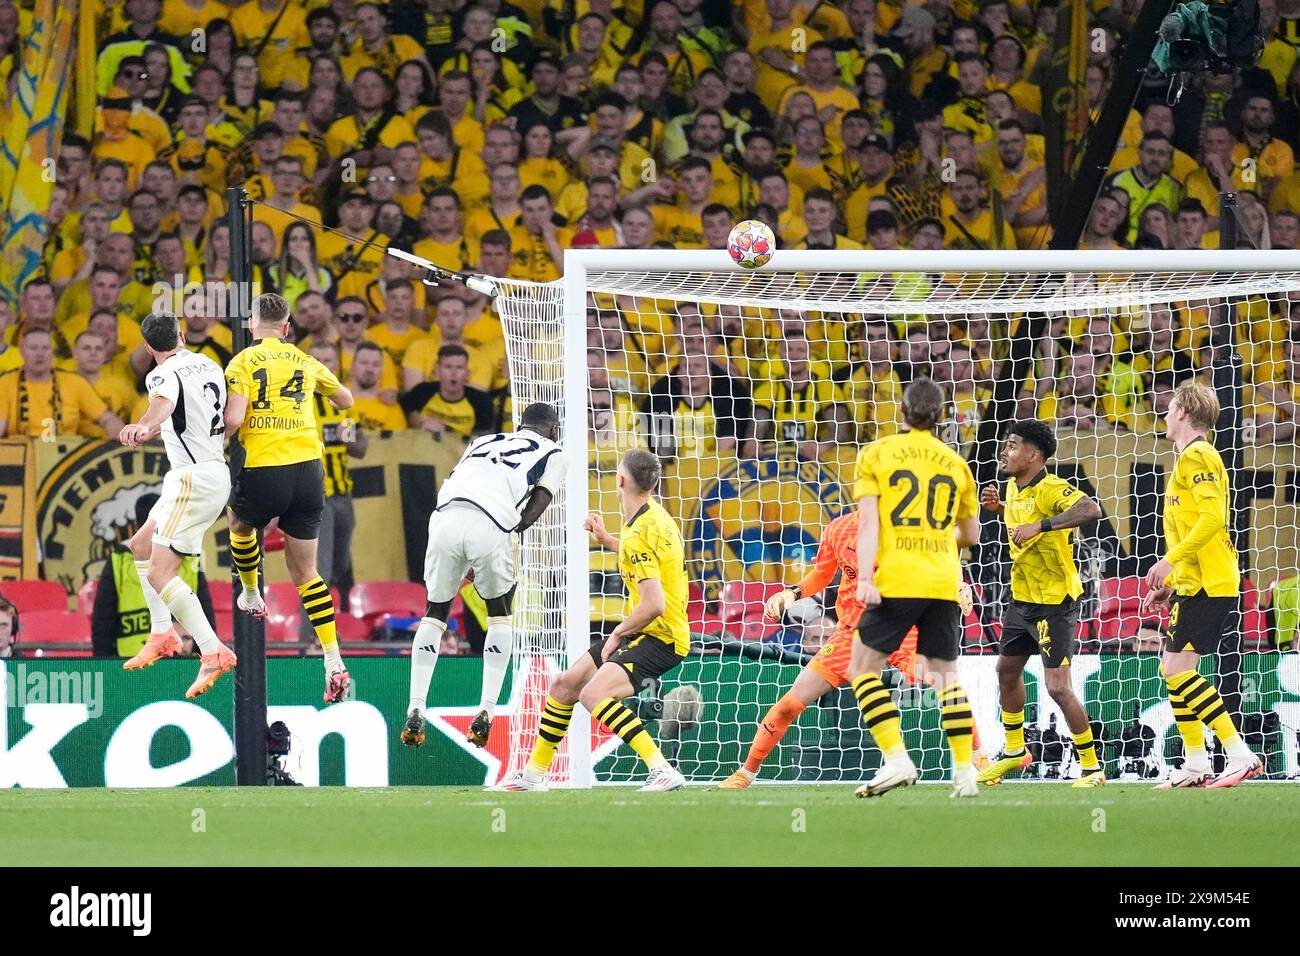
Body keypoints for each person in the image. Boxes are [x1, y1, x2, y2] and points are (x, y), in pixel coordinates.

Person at [718, 509, 978, 788]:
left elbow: (944, 556)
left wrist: (958, 585)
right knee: (789, 705)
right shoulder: (838, 529)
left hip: (904, 628)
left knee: (945, 686)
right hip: (852, 634)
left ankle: (980, 759)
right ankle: (746, 773)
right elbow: (821, 574)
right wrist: (791, 593)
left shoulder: (911, 526)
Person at [495, 449, 688, 792]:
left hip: (660, 636)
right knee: (565, 686)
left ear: (620, 480)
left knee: (593, 695)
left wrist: (617, 633)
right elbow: (644, 556)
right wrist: (608, 540)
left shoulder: (641, 530)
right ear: (655, 483)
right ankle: (534, 776)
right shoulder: (656, 518)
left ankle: (662, 769)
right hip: (647, 631)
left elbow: (655, 603)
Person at [403, 403, 565, 751]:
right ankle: (486, 709)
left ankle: (416, 703)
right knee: (500, 615)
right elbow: (542, 497)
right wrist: (513, 529)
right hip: (492, 521)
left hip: (445, 516)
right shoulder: (553, 451)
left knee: (435, 613)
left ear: (519, 425)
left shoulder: (482, 440)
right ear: (553, 430)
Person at [849, 378, 982, 798]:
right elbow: (971, 536)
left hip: (899, 578)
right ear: (941, 416)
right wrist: (936, 536)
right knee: (945, 677)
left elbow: (869, 523)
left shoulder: (877, 453)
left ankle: (897, 760)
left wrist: (866, 579)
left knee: (862, 667)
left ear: (903, 412)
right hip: (944, 578)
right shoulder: (956, 463)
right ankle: (965, 774)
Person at [223, 293, 356, 703]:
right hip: (309, 472)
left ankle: (249, 592)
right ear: (285, 328)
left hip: (265, 466)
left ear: (251, 325)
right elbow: (346, 400)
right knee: (307, 573)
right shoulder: (304, 360)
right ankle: (332, 657)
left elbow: (233, 419)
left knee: (240, 524)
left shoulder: (243, 362)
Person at [1141, 381, 1262, 788]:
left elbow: (1213, 521)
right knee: (1173, 669)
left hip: (1212, 581)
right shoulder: (1186, 460)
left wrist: (1168, 561)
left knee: (1177, 670)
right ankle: (1195, 764)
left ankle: (1240, 754)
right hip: (1194, 582)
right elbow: (1189, 529)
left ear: (1183, 413)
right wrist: (1172, 580)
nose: (1165, 411)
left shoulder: (1200, 456)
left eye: (1170, 405)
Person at [976, 421, 1107, 787]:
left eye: (1013, 445)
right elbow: (1021, 520)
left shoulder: (1052, 488)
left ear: (1033, 455)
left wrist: (1043, 526)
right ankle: (1016, 751)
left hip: (1054, 602)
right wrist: (1001, 508)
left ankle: (1092, 768)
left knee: (1057, 688)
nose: (1005, 451)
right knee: (1005, 670)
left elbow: (1091, 509)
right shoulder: (1013, 487)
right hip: (1022, 599)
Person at [117, 312, 236, 699]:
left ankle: (211, 650)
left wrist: (142, 425)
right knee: (139, 545)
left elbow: (163, 405)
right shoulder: (209, 363)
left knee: (158, 573)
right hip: (206, 471)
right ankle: (161, 633)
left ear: (149, 349)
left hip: (193, 478)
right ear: (182, 334)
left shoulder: (160, 373)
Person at [298, 341, 368, 647]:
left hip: (343, 496)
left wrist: (347, 436)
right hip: (316, 496)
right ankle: (310, 639)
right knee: (320, 570)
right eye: (320, 360)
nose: (325, 365)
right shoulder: (298, 401)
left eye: (330, 361)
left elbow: (361, 449)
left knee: (339, 570)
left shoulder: (343, 402)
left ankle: (322, 633)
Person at [91, 492, 216, 659]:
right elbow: (103, 618)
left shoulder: (189, 558)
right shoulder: (119, 560)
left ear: (137, 525)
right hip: (136, 661)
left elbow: (103, 620)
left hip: (170, 660)